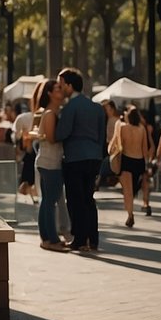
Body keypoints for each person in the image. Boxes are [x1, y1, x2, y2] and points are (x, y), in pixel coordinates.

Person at [54, 67, 107, 252]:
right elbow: (102, 136)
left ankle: (79, 239)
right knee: (88, 199)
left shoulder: (70, 107)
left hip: (75, 158)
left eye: (61, 85)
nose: (59, 88)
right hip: (94, 157)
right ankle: (93, 240)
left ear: (69, 86)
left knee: (75, 200)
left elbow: (62, 133)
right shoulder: (96, 108)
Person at [32, 79, 68, 251]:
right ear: (50, 94)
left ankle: (46, 237)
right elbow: (53, 138)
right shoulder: (50, 114)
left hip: (45, 161)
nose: (61, 91)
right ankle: (52, 239)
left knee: (47, 200)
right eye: (57, 89)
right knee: (50, 201)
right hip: (50, 162)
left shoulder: (49, 113)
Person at [112, 105, 151, 228]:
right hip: (139, 161)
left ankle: (130, 214)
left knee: (127, 190)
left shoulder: (123, 127)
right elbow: (145, 148)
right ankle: (132, 210)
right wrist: (146, 164)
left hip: (127, 160)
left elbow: (118, 145)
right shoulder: (142, 129)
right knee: (133, 189)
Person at [13, 104, 38, 201]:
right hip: (31, 153)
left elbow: (18, 140)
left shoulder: (22, 119)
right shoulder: (24, 119)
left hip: (31, 153)